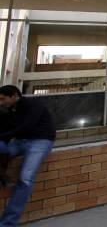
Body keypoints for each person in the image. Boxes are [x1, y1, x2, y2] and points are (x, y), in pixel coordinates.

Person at [0, 85, 56, 226]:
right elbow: (9, 130)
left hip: (40, 141)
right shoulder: (10, 109)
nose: (1, 102)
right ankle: (4, 177)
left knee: (25, 179)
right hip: (20, 141)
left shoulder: (33, 105)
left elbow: (27, 126)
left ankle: (8, 223)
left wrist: (4, 136)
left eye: (3, 99)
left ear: (15, 96)